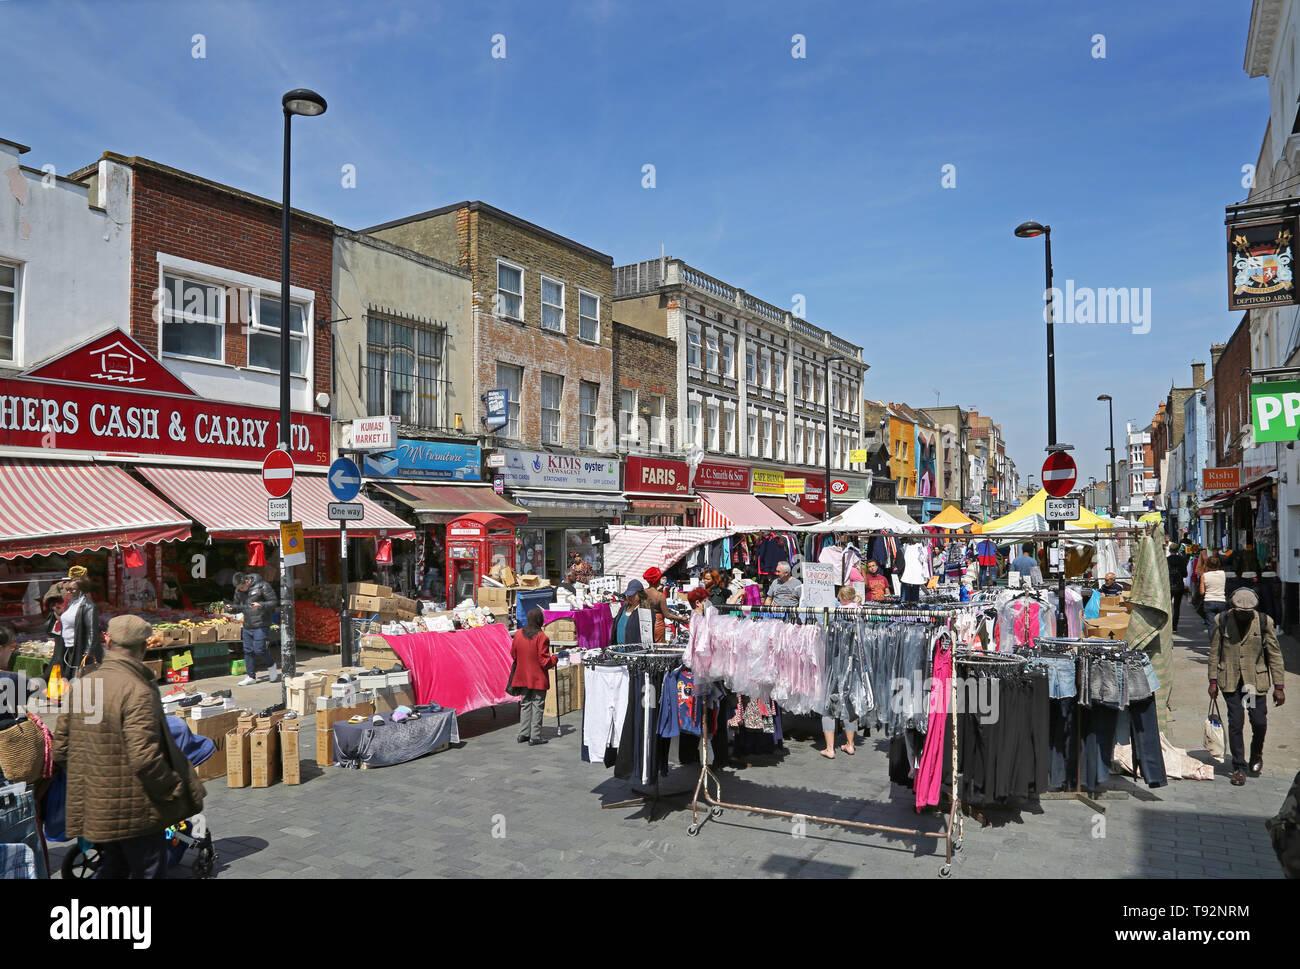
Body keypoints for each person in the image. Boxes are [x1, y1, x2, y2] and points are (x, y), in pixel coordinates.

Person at [51, 615, 206, 878]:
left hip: (96, 802)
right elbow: (144, 757)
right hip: (135, 810)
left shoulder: (85, 685)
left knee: (114, 866)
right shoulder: (137, 690)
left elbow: (62, 747)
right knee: (146, 870)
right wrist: (172, 786)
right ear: (145, 647)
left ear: (107, 641)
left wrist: (91, 775)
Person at [1209, 588, 1286, 786]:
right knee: (1236, 722)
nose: (1244, 613)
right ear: (1233, 607)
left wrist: (1279, 686)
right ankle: (1239, 767)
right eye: (1240, 610)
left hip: (1252, 684)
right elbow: (1214, 652)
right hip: (1232, 681)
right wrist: (1212, 681)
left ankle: (1256, 754)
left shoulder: (1263, 621)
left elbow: (1275, 654)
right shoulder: (1222, 620)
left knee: (1258, 722)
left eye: (1248, 611)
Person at [511, 607, 556, 746]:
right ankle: (535, 736)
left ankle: (523, 733)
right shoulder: (542, 637)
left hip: (522, 676)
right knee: (537, 705)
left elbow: (513, 654)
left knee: (525, 704)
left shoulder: (518, 634)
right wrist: (554, 659)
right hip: (537, 678)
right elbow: (544, 661)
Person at [45, 575, 102, 682]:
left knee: (76, 676)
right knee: (68, 674)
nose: (68, 592)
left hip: (79, 648)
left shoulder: (88, 606)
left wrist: (88, 651)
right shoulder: (72, 604)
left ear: (81, 591)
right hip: (68, 647)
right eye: (67, 589)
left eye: (72, 589)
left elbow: (92, 630)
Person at [228, 571, 280, 686]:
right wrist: (231, 608)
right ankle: (250, 676)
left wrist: (261, 605)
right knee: (247, 651)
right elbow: (237, 606)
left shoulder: (262, 585)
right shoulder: (238, 591)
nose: (241, 590)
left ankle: (271, 665)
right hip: (247, 624)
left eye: (242, 587)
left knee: (259, 649)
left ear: (247, 581)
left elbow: (273, 602)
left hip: (262, 623)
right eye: (238, 588)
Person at [641, 567, 687, 642]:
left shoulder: (643, 592)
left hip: (645, 622)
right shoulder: (659, 595)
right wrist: (681, 618)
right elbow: (667, 615)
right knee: (658, 648)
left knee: (647, 646)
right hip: (657, 623)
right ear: (657, 580)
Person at [613, 580, 651, 645]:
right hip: (618, 651)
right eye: (628, 594)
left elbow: (646, 637)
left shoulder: (644, 613)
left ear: (640, 595)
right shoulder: (622, 609)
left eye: (633, 595)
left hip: (633, 652)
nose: (629, 597)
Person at [1200, 556, 1228, 630]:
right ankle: (1222, 640)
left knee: (1211, 625)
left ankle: (1213, 641)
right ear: (1218, 565)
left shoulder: (1204, 576)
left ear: (1208, 565)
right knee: (1222, 624)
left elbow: (1202, 592)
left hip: (1209, 602)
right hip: (1221, 601)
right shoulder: (1223, 573)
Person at [1167, 542, 1188, 632]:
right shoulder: (1181, 560)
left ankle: (1167, 626)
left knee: (1167, 606)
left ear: (1170, 550)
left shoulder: (1166, 560)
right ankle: (1174, 626)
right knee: (1177, 607)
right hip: (1179, 586)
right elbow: (1185, 574)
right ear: (1177, 550)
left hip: (1169, 585)